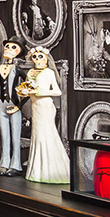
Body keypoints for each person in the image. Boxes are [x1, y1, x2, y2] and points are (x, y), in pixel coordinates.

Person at [21, 47, 68, 184]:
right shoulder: (31, 72)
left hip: (45, 106)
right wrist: (24, 91)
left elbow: (58, 92)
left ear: (46, 58)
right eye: (35, 57)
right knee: (37, 135)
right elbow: (27, 87)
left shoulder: (49, 72)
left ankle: (52, 170)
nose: (37, 59)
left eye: (40, 56)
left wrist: (40, 91)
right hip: (35, 107)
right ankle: (37, 170)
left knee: (46, 135)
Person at [0, 39, 26, 175]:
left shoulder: (17, 69)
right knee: (4, 137)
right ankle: (4, 162)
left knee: (15, 137)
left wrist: (19, 106)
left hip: (13, 106)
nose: (8, 49)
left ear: (18, 52)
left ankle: (16, 164)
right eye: (7, 46)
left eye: (13, 47)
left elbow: (30, 89)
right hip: (1, 107)